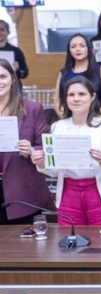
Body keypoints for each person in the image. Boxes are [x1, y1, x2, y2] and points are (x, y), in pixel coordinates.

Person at [32, 77, 101, 226]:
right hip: (69, 195)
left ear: (93, 97)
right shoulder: (58, 127)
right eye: (71, 95)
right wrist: (43, 163)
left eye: (82, 94)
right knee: (70, 244)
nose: (76, 99)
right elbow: (57, 171)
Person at [0, 59, 52, 224]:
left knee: (25, 247)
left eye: (2, 76)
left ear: (13, 79)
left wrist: (31, 150)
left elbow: (44, 144)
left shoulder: (32, 108)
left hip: (22, 188)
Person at [55, 34, 101, 116]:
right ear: (69, 51)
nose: (78, 49)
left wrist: (94, 119)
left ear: (89, 49)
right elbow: (57, 101)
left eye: (82, 46)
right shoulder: (63, 73)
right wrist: (65, 119)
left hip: (98, 121)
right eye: (73, 47)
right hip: (71, 123)